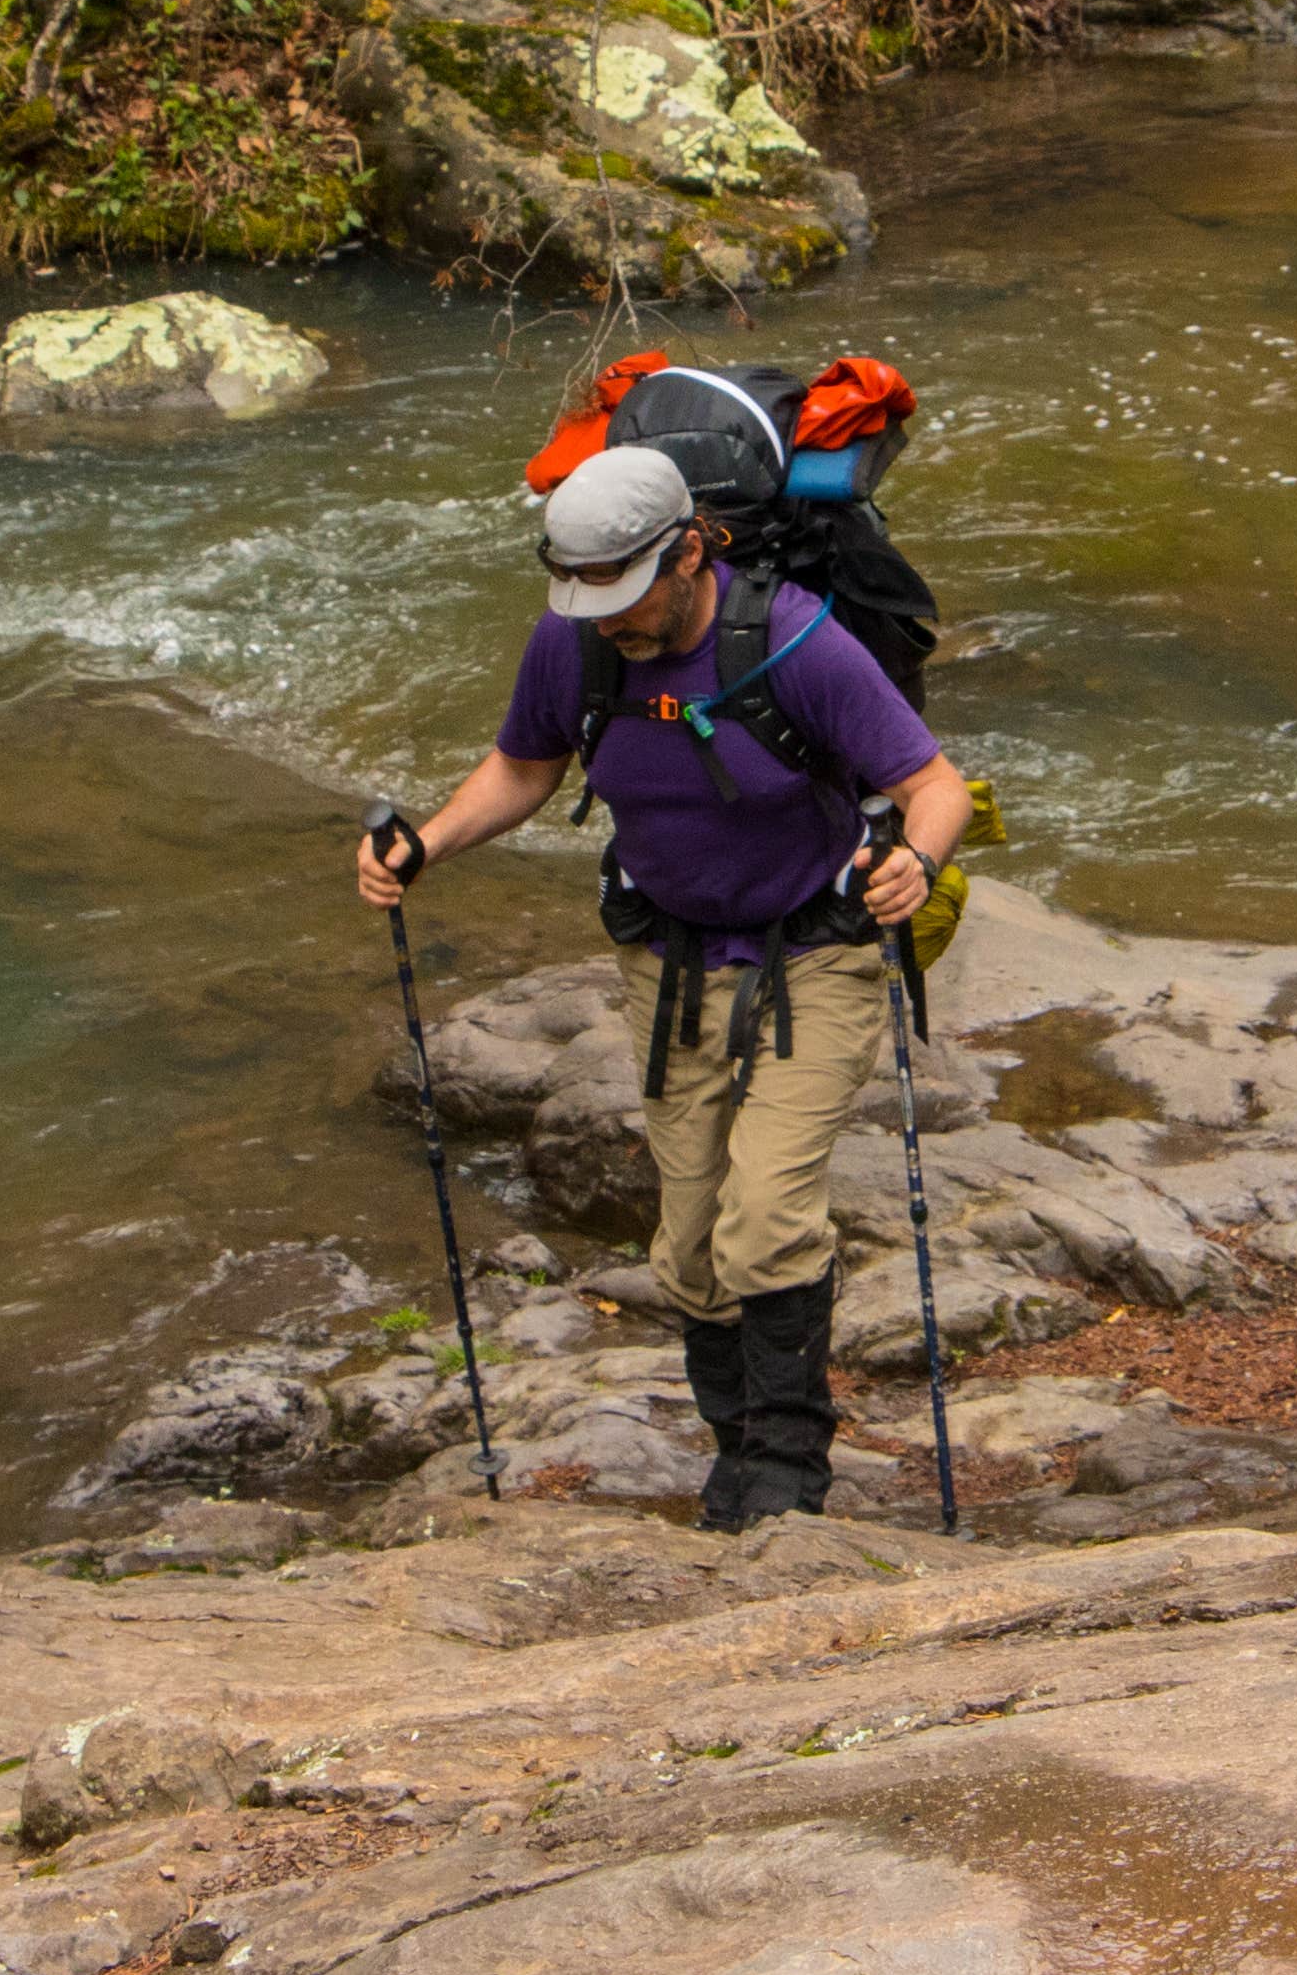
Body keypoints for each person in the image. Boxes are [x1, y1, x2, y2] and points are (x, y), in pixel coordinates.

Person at [358, 442, 971, 1526]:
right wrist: (426, 843)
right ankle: (735, 1450)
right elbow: (526, 765)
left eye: (633, 597)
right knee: (689, 1252)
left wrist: (913, 861)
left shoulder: (800, 646)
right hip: (669, 960)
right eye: (591, 601)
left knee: (767, 1215)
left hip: (812, 954)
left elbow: (930, 783)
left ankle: (785, 1471)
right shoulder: (578, 644)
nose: (613, 623)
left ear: (691, 551)